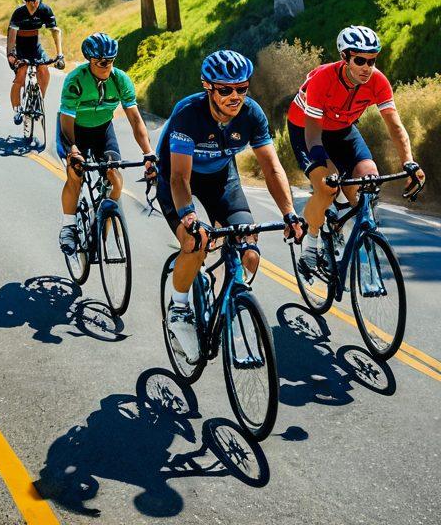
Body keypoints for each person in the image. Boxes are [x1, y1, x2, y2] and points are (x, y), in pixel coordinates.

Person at [156, 49, 304, 362]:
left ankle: (230, 302)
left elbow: (272, 168)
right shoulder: (188, 114)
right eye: (225, 90)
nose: (234, 96)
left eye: (241, 88)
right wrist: (189, 216)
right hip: (178, 179)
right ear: (209, 88)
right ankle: (179, 309)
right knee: (195, 243)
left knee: (249, 253)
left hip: (222, 179)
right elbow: (179, 179)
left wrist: (289, 213)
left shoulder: (252, 115)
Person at [287, 25, 425, 275]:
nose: (367, 67)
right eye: (360, 60)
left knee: (369, 180)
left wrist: (409, 162)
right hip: (307, 129)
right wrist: (322, 165)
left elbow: (395, 126)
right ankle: (310, 246)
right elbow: (313, 133)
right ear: (344, 58)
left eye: (372, 60)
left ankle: (353, 230)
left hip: (341, 129)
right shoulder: (323, 79)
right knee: (328, 187)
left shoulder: (378, 81)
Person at [57, 32, 156, 255]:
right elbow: (66, 121)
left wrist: (148, 152)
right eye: (101, 62)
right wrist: (73, 149)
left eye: (110, 61)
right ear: (90, 61)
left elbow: (135, 119)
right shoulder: (75, 81)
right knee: (75, 174)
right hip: (75, 130)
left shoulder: (120, 80)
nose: (106, 66)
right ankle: (68, 226)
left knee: (115, 176)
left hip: (103, 129)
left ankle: (102, 221)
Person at [7, 0, 65, 125]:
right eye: (30, 0)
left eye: (36, 0)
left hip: (34, 45)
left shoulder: (45, 10)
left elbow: (55, 31)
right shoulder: (19, 13)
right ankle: (17, 109)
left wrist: (60, 55)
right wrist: (11, 54)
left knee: (44, 70)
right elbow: (12, 35)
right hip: (19, 46)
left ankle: (39, 101)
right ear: (25, 0)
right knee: (21, 73)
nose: (34, 3)